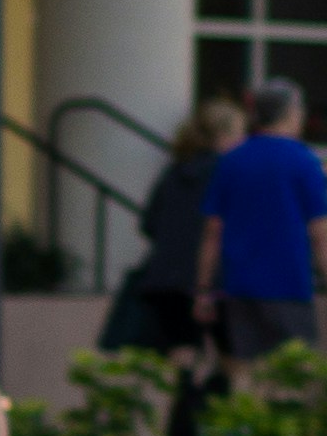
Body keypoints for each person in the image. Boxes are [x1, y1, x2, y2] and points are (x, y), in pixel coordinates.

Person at [192, 75, 327, 363]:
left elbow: (212, 230)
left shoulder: (231, 161)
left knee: (247, 375)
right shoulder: (305, 161)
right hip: (289, 286)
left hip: (239, 286)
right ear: (291, 113)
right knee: (292, 374)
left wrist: (203, 290)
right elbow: (321, 235)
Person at [100, 94, 237, 368]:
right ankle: (216, 408)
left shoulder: (176, 170)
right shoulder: (226, 172)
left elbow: (149, 223)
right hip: (211, 280)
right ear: (225, 135)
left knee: (182, 357)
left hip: (165, 278)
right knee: (232, 361)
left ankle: (183, 407)